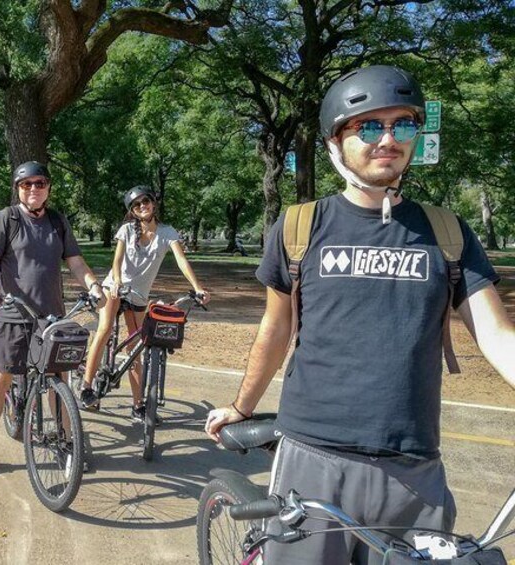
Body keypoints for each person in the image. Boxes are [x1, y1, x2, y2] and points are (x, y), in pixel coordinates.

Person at [204, 65, 515, 564]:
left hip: (414, 472)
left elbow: (497, 335)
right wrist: (242, 406)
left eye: (403, 125)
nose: (388, 139)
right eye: (369, 127)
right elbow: (276, 327)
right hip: (313, 459)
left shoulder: (447, 233)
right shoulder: (300, 226)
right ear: (335, 140)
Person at [0, 161, 105, 481]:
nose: (33, 189)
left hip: (51, 315)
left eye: (39, 183)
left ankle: (69, 443)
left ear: (48, 188)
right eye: (26, 184)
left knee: (60, 380)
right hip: (13, 314)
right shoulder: (7, 219)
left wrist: (94, 286)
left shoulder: (57, 221)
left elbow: (76, 262)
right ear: (18, 188)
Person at [79, 186, 210, 421]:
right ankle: (86, 387)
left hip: (139, 294)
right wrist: (117, 282)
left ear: (154, 203)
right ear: (132, 210)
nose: (142, 207)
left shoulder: (167, 232)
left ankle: (138, 405)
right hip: (115, 287)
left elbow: (181, 260)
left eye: (146, 201)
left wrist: (198, 287)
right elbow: (117, 261)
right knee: (105, 329)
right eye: (137, 204)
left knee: (135, 347)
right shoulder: (127, 230)